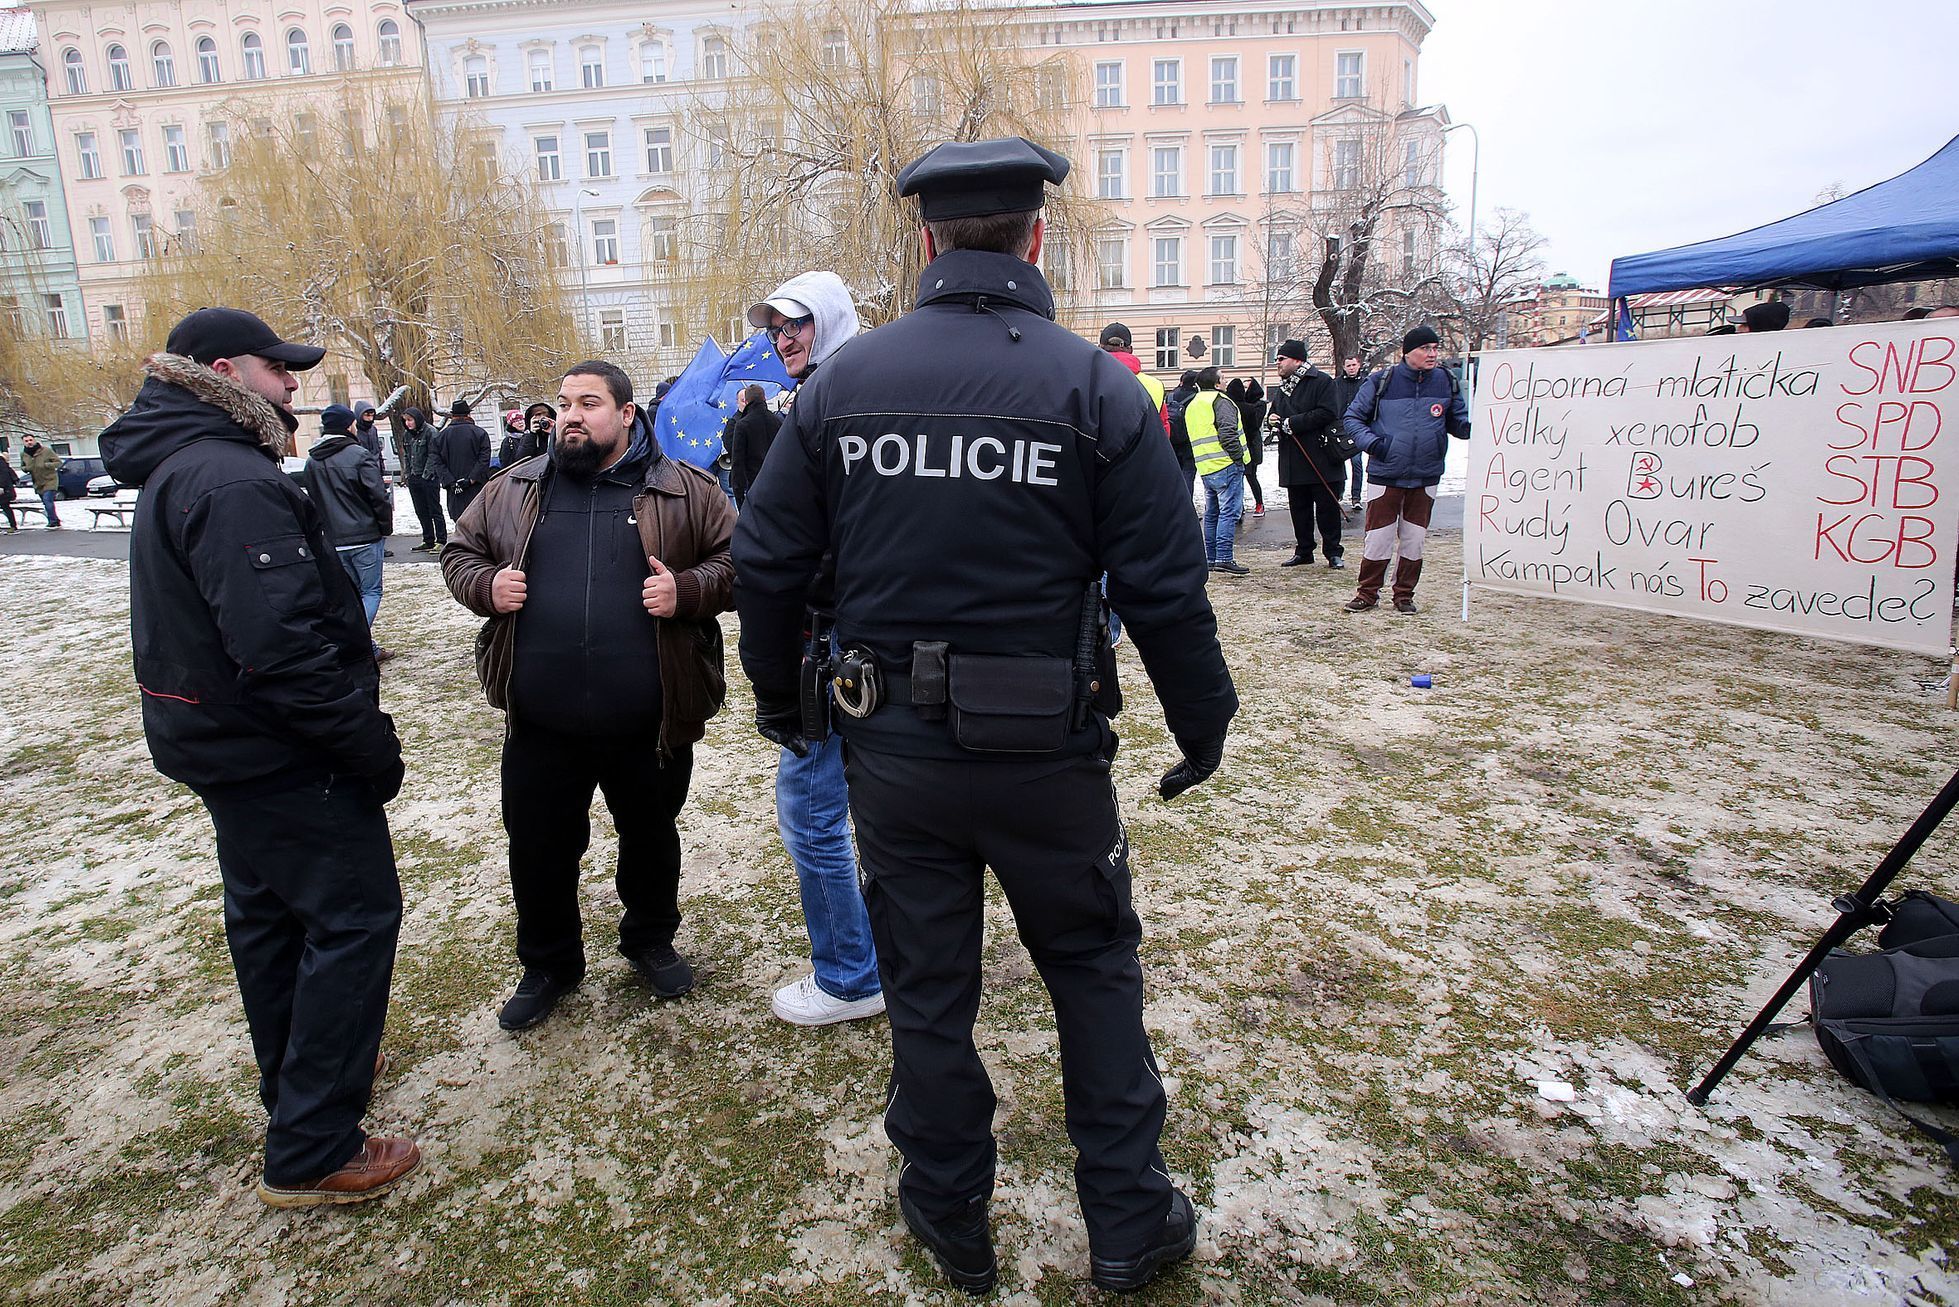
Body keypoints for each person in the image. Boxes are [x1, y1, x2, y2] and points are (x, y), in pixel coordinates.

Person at [734, 136, 1235, 1296]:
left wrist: (781, 702)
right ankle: (1125, 1216)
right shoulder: (1095, 385)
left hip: (894, 754)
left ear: (925, 243)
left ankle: (949, 1208)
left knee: (928, 987)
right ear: (1036, 239)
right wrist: (1203, 721)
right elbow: (1165, 586)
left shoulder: (841, 391)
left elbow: (768, 563)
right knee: (1093, 969)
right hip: (1046, 754)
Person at [97, 307, 414, 1207]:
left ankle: (299, 1083)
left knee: (273, 920)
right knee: (352, 918)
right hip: (279, 753)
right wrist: (366, 744)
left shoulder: (190, 465)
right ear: (226, 370)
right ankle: (313, 1141)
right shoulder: (229, 479)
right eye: (279, 369)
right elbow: (279, 650)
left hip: (232, 749)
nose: (293, 385)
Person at [440, 360, 735, 1032]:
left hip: (649, 719)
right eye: (565, 402)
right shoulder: (513, 487)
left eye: (590, 402)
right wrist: (485, 586)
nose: (571, 415)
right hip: (542, 719)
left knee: (651, 838)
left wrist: (686, 591)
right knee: (538, 846)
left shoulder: (687, 490)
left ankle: (649, 939)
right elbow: (459, 553)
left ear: (627, 414)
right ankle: (548, 963)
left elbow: (737, 562)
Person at [743, 270, 884, 1027]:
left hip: (837, 639)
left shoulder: (833, 398)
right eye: (773, 329)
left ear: (828, 321)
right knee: (870, 805)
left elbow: (808, 537)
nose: (781, 338)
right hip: (854, 632)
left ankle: (851, 975)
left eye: (793, 323)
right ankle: (878, 953)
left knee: (812, 812)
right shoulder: (842, 389)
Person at [1342, 324, 1470, 614]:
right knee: (1378, 538)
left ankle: (1404, 594)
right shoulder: (1382, 381)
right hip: (1386, 473)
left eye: (1435, 348)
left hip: (1426, 474)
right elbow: (1352, 419)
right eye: (1426, 348)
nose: (1432, 354)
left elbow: (1458, 422)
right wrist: (1376, 445)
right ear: (1408, 352)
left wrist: (1476, 426)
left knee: (1414, 540)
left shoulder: (1445, 381)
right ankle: (1367, 593)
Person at [306, 404, 395, 663]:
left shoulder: (312, 460)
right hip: (364, 535)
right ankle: (353, 639)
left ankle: (368, 645)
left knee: (352, 595)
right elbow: (377, 496)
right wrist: (384, 527)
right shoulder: (358, 455)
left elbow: (313, 500)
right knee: (371, 592)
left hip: (333, 538)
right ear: (348, 426)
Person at [1269, 340, 1345, 569]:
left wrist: (1292, 422)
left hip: (1320, 457)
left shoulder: (1321, 381)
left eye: (1281, 359)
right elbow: (1276, 412)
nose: (1278, 363)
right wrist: (1272, 419)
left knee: (1327, 509)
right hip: (1293, 458)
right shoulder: (1284, 387)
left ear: (1297, 360)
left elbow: (1328, 412)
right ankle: (1304, 551)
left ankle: (1333, 552)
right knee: (1299, 509)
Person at [1188, 366, 1248, 575]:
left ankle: (1211, 558)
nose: (1226, 381)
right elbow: (1228, 432)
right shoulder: (1221, 402)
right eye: (1222, 378)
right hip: (1226, 464)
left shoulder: (1193, 404)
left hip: (1206, 466)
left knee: (1212, 513)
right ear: (1215, 384)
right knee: (1228, 513)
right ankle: (1224, 557)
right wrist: (1238, 458)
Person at [431, 399, 491, 523]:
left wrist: (451, 482)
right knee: (478, 522)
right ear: (468, 415)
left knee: (459, 522)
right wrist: (471, 479)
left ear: (453, 416)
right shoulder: (480, 433)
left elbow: (437, 462)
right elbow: (484, 460)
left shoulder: (440, 437)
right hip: (476, 488)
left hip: (454, 490)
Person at [397, 407, 446, 553]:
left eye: (410, 420)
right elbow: (407, 455)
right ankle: (428, 539)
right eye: (405, 421)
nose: (408, 423)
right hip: (414, 477)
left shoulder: (430, 432)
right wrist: (407, 474)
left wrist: (426, 474)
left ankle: (441, 540)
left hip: (429, 478)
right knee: (421, 510)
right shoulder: (407, 435)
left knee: (434, 509)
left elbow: (433, 455)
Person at [726, 383, 782, 510]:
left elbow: (737, 463)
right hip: (777, 486)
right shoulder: (778, 421)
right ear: (765, 398)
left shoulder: (742, 426)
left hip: (755, 487)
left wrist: (739, 498)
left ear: (746, 401)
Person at [1224, 377, 1268, 520]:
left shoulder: (1258, 405)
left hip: (1251, 445)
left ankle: (1259, 503)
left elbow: (1255, 424)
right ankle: (1239, 506)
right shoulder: (1235, 405)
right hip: (1240, 444)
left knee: (1251, 476)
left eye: (1247, 387)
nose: (1244, 390)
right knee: (1237, 478)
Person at [1334, 355, 1366, 509]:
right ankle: (1338, 494)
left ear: (1358, 365)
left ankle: (1356, 497)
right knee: (1338, 462)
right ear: (1344, 367)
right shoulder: (1336, 384)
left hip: (1357, 427)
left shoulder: (1365, 383)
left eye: (1354, 365)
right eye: (1349, 365)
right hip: (1340, 427)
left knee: (1356, 462)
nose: (1351, 368)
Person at [1163, 369, 1199, 498]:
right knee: (1188, 473)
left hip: (1172, 438)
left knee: (1174, 474)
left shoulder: (1170, 395)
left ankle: (1174, 506)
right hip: (1188, 440)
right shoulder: (1196, 397)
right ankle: (1187, 507)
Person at [21, 434, 59, 528]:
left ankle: (52, 521)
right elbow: (22, 466)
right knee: (46, 502)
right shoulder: (24, 454)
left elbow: (58, 462)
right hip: (37, 481)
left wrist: (46, 465)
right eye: (26, 441)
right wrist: (26, 468)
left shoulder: (46, 451)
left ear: (34, 440)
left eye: (30, 440)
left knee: (47, 500)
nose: (29, 442)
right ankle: (55, 519)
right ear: (23, 442)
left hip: (50, 480)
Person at [0, 451, 18, 532]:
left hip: (4, 489)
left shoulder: (1, 462)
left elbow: (4, 475)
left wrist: (1, 486)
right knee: (6, 507)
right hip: (4, 489)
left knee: (6, 507)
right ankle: (13, 526)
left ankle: (13, 526)